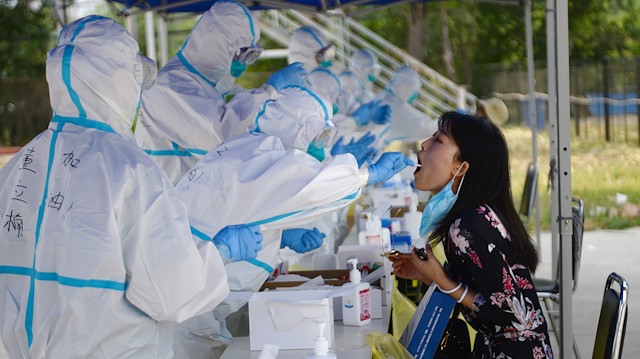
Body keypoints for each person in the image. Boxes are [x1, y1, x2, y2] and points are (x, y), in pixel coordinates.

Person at [0, 15, 263, 358]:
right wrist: (220, 254)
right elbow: (170, 292)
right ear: (117, 79)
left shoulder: (19, 166)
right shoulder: (129, 169)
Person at [173, 85, 414, 357]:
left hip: (200, 290)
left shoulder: (251, 149)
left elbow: (242, 212)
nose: (322, 145)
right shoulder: (265, 156)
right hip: (191, 299)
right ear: (299, 129)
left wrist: (279, 237)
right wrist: (365, 175)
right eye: (319, 135)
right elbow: (311, 188)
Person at [390, 112, 553, 358]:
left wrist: (443, 281)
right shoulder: (475, 215)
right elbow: (485, 290)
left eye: (438, 139)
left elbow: (512, 315)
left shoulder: (466, 226)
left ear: (461, 167)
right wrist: (429, 276)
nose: (424, 144)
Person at [135, 0, 307, 185]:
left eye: (250, 54)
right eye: (240, 52)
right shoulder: (167, 87)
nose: (243, 62)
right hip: (168, 202)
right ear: (211, 41)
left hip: (192, 201)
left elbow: (247, 120)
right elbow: (221, 138)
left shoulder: (215, 86)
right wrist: (271, 90)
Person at [374, 65, 437, 150]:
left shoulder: (383, 96)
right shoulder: (397, 106)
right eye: (413, 89)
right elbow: (427, 127)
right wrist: (452, 119)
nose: (415, 94)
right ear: (406, 86)